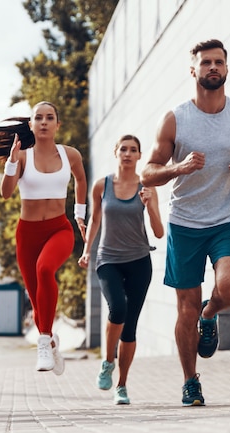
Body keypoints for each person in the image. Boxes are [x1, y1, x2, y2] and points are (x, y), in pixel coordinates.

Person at [140, 39, 230, 406]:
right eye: (206, 63)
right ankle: (190, 381)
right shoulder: (175, 119)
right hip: (185, 223)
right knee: (183, 307)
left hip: (226, 219)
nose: (213, 68)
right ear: (194, 71)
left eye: (218, 62)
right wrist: (178, 168)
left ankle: (211, 313)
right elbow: (147, 174)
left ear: (227, 69)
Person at [0, 101, 87, 375]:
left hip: (59, 229)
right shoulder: (23, 156)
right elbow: (6, 193)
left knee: (45, 269)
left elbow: (81, 180)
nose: (43, 122)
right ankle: (51, 341)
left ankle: (42, 341)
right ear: (31, 125)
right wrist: (12, 162)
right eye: (38, 118)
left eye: (49, 117)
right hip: (27, 234)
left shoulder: (71, 154)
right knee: (37, 298)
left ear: (57, 124)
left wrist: (79, 214)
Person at [78, 135, 164, 405]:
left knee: (130, 328)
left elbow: (159, 233)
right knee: (118, 308)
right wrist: (86, 250)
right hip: (108, 260)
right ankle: (107, 362)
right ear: (116, 152)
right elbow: (94, 220)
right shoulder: (101, 185)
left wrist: (149, 206)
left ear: (139, 156)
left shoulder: (146, 186)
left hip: (139, 261)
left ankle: (122, 386)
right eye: (123, 149)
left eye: (133, 150)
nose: (128, 153)